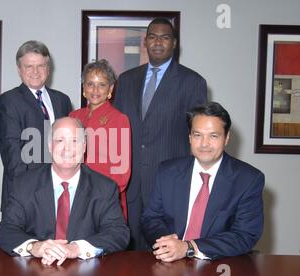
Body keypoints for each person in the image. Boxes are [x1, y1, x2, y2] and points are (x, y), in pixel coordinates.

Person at [114, 18, 208, 250]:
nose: (158, 42)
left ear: (174, 43)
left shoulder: (192, 82)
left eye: (165, 37)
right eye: (153, 37)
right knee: (127, 256)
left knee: (166, 254)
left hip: (170, 184)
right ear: (145, 42)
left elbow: (197, 136)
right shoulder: (126, 80)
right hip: (129, 183)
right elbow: (115, 132)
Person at [0, 117, 129, 265]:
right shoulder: (24, 183)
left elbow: (118, 233)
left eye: (74, 141)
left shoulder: (104, 187)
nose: (67, 148)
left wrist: (76, 248)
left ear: (84, 146)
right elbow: (6, 229)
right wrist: (34, 246)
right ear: (49, 146)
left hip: (87, 275)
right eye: (60, 141)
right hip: (36, 271)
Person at [141, 102, 264, 261]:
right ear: (190, 137)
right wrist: (168, 245)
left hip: (220, 265)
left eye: (213, 136)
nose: (204, 144)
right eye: (198, 135)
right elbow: (151, 218)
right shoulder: (167, 171)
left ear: (226, 138)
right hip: (169, 262)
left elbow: (244, 235)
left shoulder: (248, 179)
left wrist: (188, 247)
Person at [0, 40, 72, 213]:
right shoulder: (9, 101)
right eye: (29, 66)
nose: (35, 72)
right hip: (24, 195)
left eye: (41, 65)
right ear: (19, 69)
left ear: (48, 68)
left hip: (60, 193)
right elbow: (12, 154)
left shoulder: (62, 100)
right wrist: (36, 192)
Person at [70, 59, 131, 220]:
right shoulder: (73, 116)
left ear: (110, 88)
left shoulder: (119, 119)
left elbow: (122, 173)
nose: (95, 89)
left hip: (105, 202)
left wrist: (94, 196)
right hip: (73, 199)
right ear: (84, 87)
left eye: (102, 84)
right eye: (90, 84)